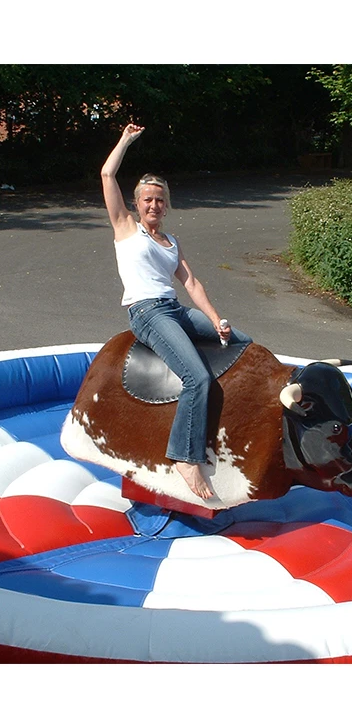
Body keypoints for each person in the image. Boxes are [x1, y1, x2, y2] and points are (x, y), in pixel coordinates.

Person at [101, 123, 252, 500]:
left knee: (243, 342)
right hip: (148, 314)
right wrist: (125, 140)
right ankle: (184, 457)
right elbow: (107, 174)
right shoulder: (125, 229)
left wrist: (217, 320)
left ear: (167, 205)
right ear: (137, 204)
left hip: (175, 308)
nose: (154, 205)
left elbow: (192, 284)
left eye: (160, 200)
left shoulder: (171, 241)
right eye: (147, 199)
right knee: (197, 377)